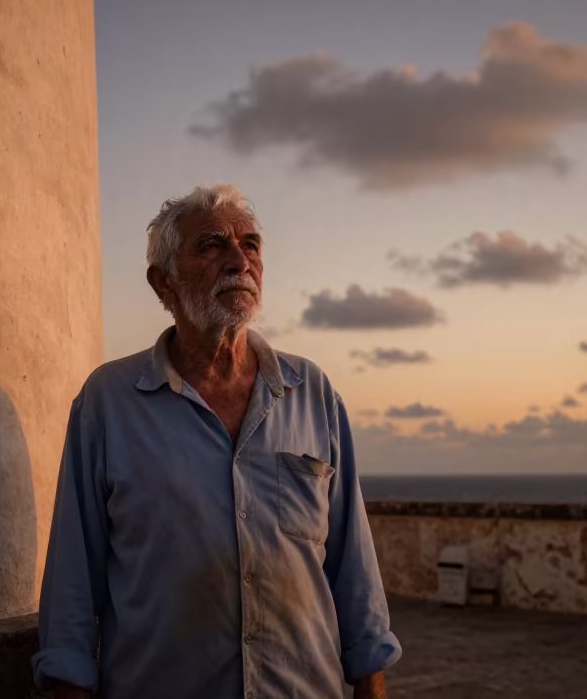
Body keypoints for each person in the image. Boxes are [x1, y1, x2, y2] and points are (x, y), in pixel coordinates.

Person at [32, 185, 400, 698]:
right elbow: (74, 571)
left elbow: (352, 560)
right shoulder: (108, 403)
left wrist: (371, 681)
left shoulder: (310, 390)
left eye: (250, 244)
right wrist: (68, 683)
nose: (238, 260)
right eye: (211, 245)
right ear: (163, 284)